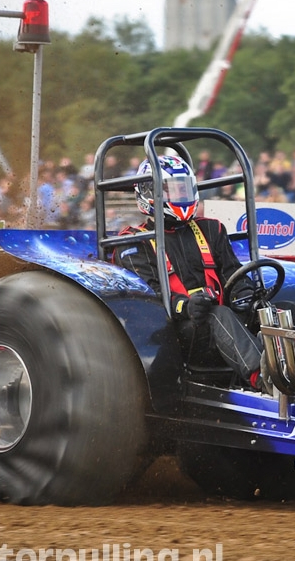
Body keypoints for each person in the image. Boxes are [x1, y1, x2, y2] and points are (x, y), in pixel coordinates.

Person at [113, 154, 264, 390]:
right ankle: (263, 378)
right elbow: (148, 297)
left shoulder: (211, 229)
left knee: (276, 309)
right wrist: (185, 306)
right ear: (149, 192)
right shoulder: (134, 243)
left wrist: (245, 295)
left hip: (221, 324)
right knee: (218, 315)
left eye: (182, 189)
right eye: (171, 190)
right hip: (174, 333)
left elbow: (233, 274)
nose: (179, 196)